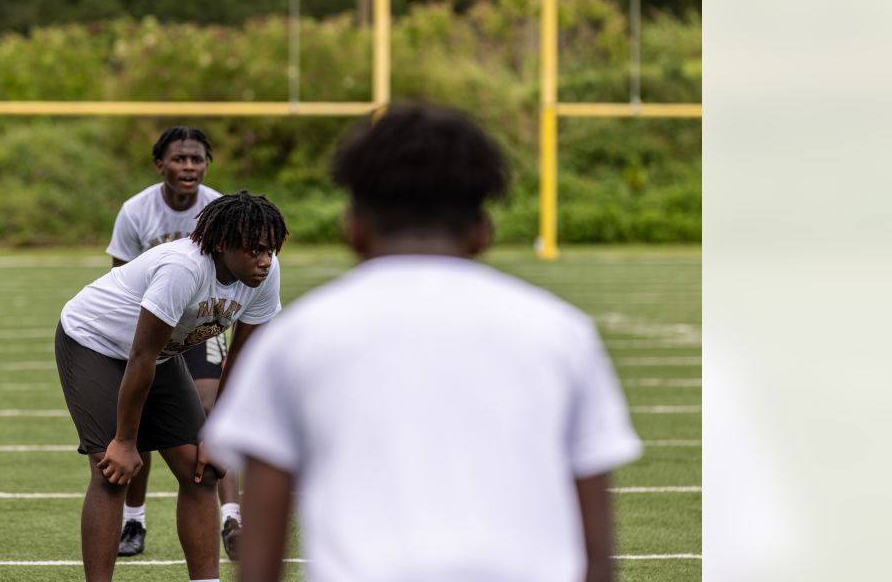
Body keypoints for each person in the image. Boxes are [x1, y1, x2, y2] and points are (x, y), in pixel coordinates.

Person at [204, 106, 643, 582]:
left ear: (352, 227)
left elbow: (261, 560)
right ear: (483, 231)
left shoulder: (295, 340)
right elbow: (597, 552)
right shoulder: (562, 334)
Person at [56, 191, 289, 582]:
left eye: (270, 250)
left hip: (157, 354)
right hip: (94, 342)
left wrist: (219, 434)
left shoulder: (265, 274)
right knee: (112, 471)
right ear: (221, 243)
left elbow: (242, 359)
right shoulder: (183, 268)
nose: (265, 260)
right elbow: (141, 355)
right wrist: (126, 442)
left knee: (204, 469)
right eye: (254, 250)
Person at [105, 127, 245, 559]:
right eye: (180, 158)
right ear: (160, 164)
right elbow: (120, 281)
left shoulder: (219, 209)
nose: (189, 167)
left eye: (197, 159)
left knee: (208, 412)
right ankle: (134, 520)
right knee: (141, 419)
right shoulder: (136, 211)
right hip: (156, 323)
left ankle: (233, 518)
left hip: (202, 322)